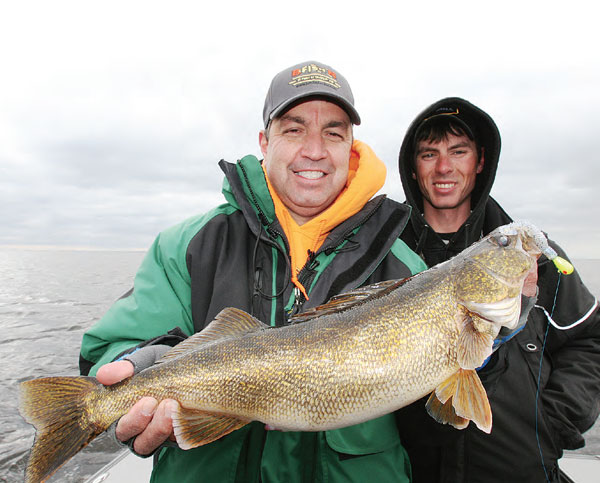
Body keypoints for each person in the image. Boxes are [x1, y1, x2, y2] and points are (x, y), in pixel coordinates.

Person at [79, 61, 426, 483]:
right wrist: (144, 360)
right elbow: (109, 347)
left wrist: (503, 324)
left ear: (351, 148)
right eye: (294, 129)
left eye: (333, 133)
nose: (314, 150)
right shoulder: (188, 245)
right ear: (265, 142)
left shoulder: (405, 268)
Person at [396, 96, 600, 482]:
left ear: (481, 161)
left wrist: (551, 422)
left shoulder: (532, 255)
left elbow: (590, 340)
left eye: (459, 151)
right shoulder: (383, 255)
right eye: (429, 154)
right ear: (412, 165)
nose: (444, 167)